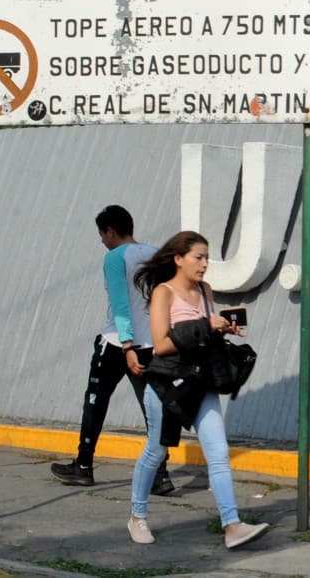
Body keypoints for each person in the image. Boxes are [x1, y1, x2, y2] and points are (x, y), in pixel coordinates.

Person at [128, 230, 269, 548]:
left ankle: (232, 526)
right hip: (168, 385)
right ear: (179, 259)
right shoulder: (163, 292)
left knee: (218, 453)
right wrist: (205, 325)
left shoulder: (205, 291)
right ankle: (137, 517)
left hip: (201, 381)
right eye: (198, 257)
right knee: (156, 451)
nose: (205, 264)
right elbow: (161, 345)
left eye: (207, 258)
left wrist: (222, 329)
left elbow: (201, 337)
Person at [51, 206, 173, 495]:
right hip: (152, 345)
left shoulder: (115, 257)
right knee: (153, 410)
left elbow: (120, 305)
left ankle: (83, 466)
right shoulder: (157, 254)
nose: (102, 240)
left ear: (111, 231)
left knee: (95, 402)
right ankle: (160, 476)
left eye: (102, 234)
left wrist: (127, 345)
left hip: (118, 344)